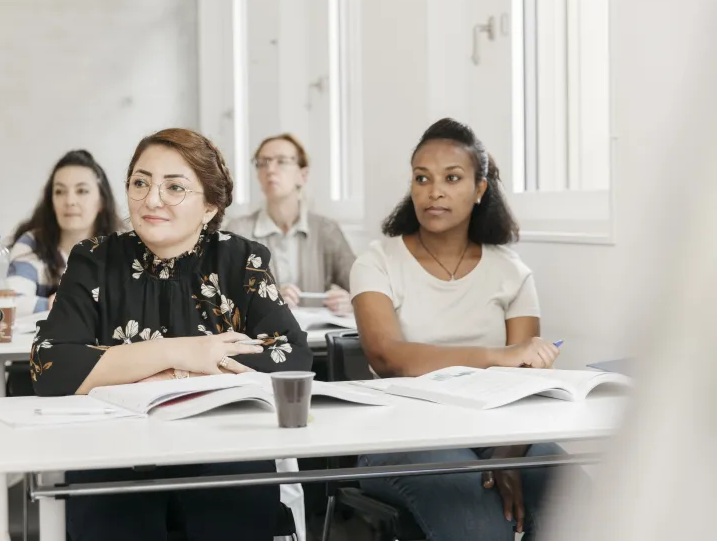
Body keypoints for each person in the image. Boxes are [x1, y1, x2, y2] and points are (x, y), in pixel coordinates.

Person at [30, 128, 313, 541]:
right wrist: (181, 353)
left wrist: (138, 370)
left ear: (209, 206)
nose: (152, 199)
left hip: (224, 448)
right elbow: (52, 368)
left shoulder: (241, 259)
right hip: (113, 455)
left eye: (174, 187)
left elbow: (291, 356)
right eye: (140, 183)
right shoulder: (93, 260)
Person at [350, 118, 562, 540]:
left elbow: (528, 379)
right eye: (422, 178)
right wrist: (496, 356)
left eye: (452, 178)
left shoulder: (511, 272)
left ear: (480, 188)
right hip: (401, 433)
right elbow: (388, 356)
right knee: (483, 528)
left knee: (575, 502)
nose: (435, 191)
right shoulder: (377, 260)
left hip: (497, 432)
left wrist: (508, 457)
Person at [224, 133, 356, 315]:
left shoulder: (327, 230)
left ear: (303, 175)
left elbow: (361, 288)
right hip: (262, 339)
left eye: (282, 161)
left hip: (318, 339)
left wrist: (351, 302)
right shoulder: (238, 231)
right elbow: (223, 296)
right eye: (263, 162)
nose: (270, 169)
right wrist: (265, 300)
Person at [8, 149, 122, 317]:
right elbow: (11, 302)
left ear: (101, 202)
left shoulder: (121, 246)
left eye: (82, 191)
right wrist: (57, 303)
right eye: (60, 192)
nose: (69, 201)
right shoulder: (32, 243)